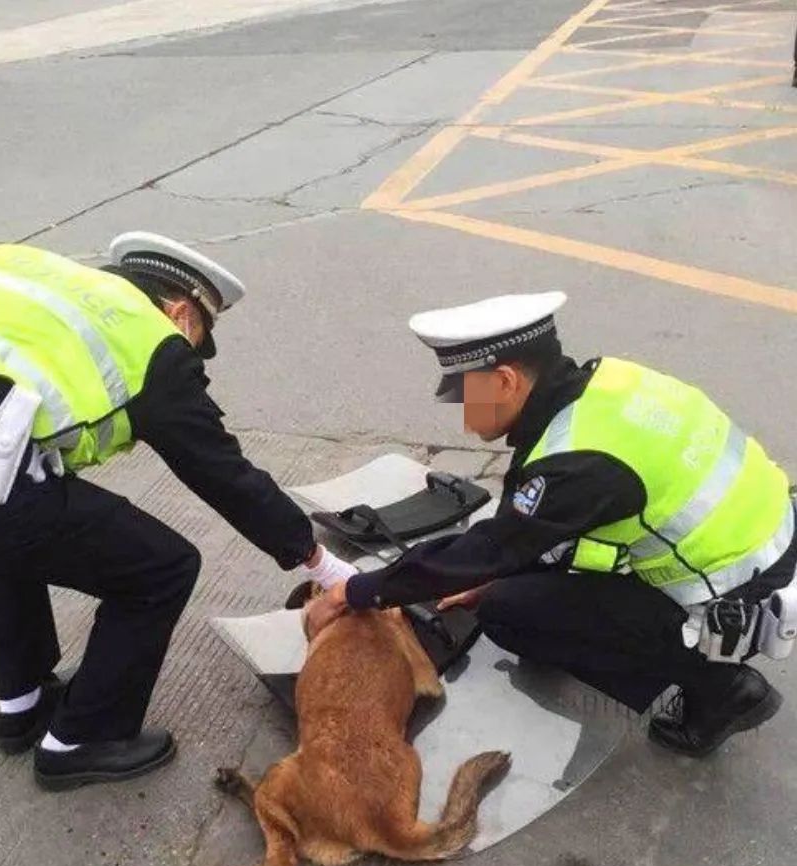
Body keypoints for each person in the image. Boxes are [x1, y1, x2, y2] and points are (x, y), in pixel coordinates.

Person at [0, 234, 354, 789]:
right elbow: (224, 474)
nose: (193, 357)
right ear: (179, 312)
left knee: (5, 524)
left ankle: (22, 704)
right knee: (163, 566)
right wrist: (318, 560)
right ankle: (83, 737)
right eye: (198, 338)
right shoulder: (152, 343)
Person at [309, 292, 796, 757]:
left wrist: (354, 592)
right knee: (518, 577)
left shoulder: (578, 461)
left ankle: (724, 688)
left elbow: (491, 548)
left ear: (504, 382)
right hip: (764, 538)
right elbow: (568, 523)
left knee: (507, 611)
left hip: (738, 593)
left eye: (465, 397)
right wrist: (506, 564)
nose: (463, 418)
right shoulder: (606, 386)